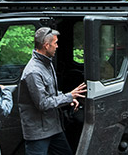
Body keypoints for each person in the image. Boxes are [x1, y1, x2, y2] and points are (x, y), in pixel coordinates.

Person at [18, 27, 86, 155]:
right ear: (46, 45)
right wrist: (69, 97)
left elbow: (51, 93)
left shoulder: (47, 64)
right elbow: (43, 103)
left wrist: (69, 99)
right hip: (38, 133)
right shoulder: (33, 72)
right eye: (55, 43)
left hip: (53, 128)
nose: (57, 46)